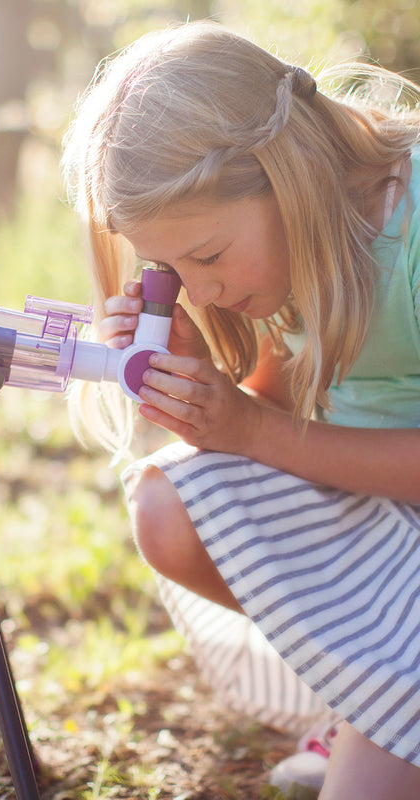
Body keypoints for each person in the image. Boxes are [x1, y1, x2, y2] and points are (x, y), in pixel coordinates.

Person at [62, 19, 420, 799]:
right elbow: (277, 409)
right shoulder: (300, 248)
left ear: (285, 174)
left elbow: (271, 433)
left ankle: (385, 707)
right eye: (174, 267)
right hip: (393, 523)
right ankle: (375, 698)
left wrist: (251, 428)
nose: (203, 290)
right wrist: (204, 394)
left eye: (210, 257)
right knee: (172, 504)